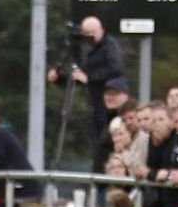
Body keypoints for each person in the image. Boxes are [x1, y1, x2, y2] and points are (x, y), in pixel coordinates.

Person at [46, 15, 125, 166]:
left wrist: (90, 78)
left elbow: (116, 70)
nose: (90, 37)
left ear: (101, 30)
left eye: (93, 33)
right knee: (97, 144)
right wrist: (59, 79)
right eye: (87, 34)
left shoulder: (110, 46)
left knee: (105, 144)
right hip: (95, 104)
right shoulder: (89, 51)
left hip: (110, 106)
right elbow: (79, 77)